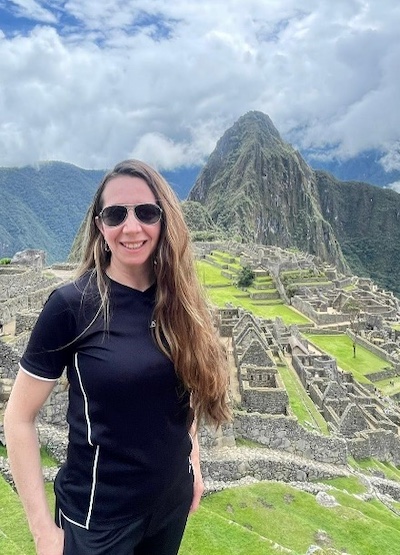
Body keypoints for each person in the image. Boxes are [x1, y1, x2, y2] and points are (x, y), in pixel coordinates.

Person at [4, 159, 231, 555]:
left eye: (146, 212)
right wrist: (43, 532)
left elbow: (185, 391)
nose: (131, 227)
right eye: (115, 214)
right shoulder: (71, 306)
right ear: (99, 225)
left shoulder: (180, 302)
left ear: (164, 220)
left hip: (169, 506)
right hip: (97, 521)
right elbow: (18, 418)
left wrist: (192, 459)